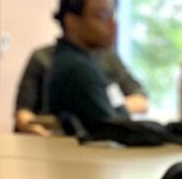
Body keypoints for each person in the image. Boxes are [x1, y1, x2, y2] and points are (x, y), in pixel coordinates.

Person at [44, 0, 144, 132]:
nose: (112, 25)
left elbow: (138, 98)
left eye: (112, 16)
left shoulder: (88, 60)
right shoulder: (77, 68)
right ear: (72, 21)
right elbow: (112, 130)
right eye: (102, 16)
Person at [14, 41, 147, 136]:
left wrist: (103, 110)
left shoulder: (107, 57)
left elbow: (140, 101)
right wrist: (34, 128)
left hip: (100, 138)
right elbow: (23, 111)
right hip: (51, 138)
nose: (111, 25)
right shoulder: (42, 57)